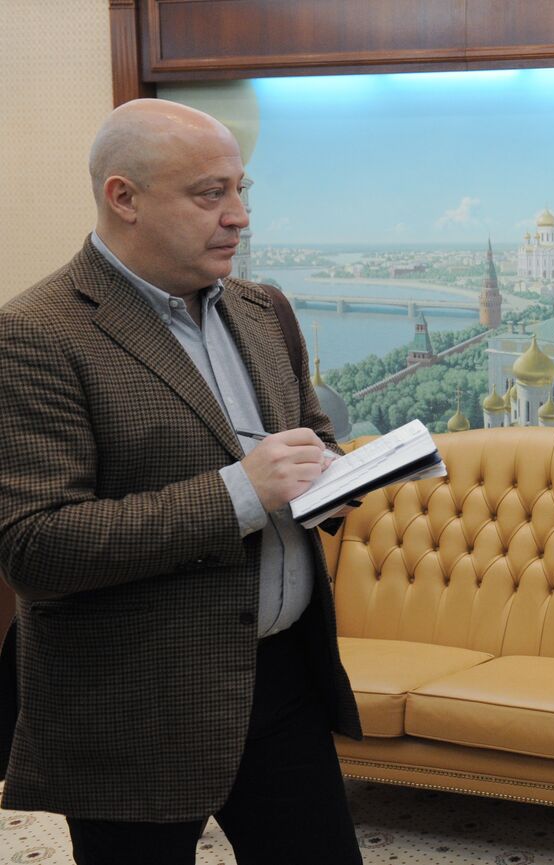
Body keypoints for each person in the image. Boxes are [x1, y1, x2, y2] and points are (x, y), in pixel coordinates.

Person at [0, 99, 363, 864]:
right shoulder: (34, 335)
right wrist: (241, 492)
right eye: (210, 194)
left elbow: (307, 438)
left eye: (242, 191)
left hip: (283, 682)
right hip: (136, 702)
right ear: (123, 198)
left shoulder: (266, 311)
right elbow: (36, 546)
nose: (239, 217)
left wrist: (338, 475)